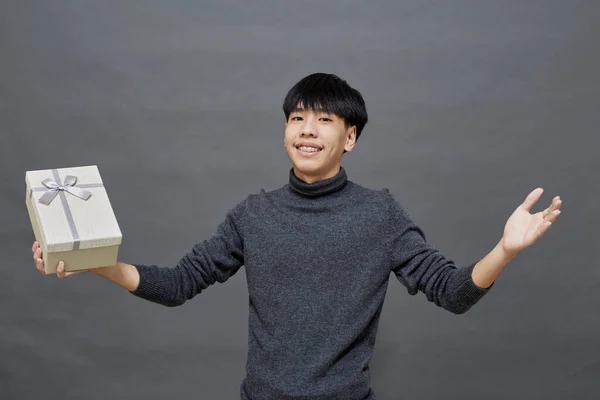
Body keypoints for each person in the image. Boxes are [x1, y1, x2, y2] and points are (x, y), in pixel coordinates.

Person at [31, 73, 562, 400]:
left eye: (324, 119)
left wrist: (505, 250)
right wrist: (94, 261)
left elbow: (453, 293)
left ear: (349, 137)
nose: (307, 129)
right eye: (297, 118)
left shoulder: (380, 215)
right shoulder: (253, 214)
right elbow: (177, 285)